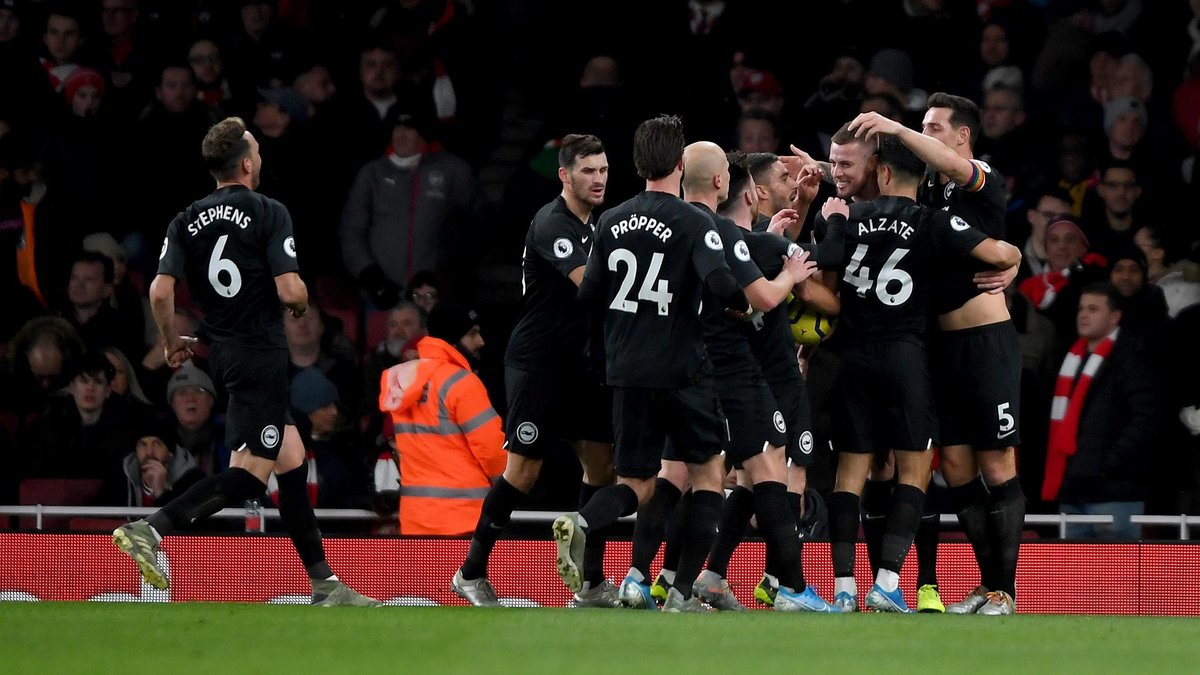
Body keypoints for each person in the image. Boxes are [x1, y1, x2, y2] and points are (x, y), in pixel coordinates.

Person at [111, 116, 378, 606]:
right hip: (259, 354)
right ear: (248, 163)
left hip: (225, 354)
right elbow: (291, 290)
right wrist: (300, 303)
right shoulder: (268, 210)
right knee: (251, 476)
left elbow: (160, 291)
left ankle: (324, 583)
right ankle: (151, 528)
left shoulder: (185, 218)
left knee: (291, 460)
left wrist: (169, 341)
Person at [813, 135, 1021, 614]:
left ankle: (844, 589)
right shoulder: (932, 220)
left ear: (881, 171)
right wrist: (1011, 260)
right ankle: (890, 583)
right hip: (908, 357)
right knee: (915, 470)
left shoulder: (846, 218)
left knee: (852, 474)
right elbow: (999, 254)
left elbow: (824, 285)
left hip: (853, 358)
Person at [551, 114, 751, 613]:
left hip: (626, 371)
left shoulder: (611, 221)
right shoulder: (694, 221)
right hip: (682, 370)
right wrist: (741, 304)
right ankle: (681, 594)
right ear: (680, 163)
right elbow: (722, 284)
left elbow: (588, 296)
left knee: (637, 483)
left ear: (638, 164)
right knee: (708, 475)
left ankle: (583, 521)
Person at [620, 142, 821, 613]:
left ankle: (645, 578)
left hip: (675, 368)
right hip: (733, 370)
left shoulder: (669, 227)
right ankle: (790, 589)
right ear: (725, 184)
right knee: (767, 471)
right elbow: (762, 295)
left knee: (676, 474)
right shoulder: (720, 232)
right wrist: (788, 274)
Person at [451, 134, 617, 608]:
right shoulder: (551, 223)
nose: (599, 179)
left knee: (602, 467)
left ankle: (590, 584)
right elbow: (590, 286)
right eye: (588, 171)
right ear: (564, 175)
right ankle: (470, 573)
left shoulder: (596, 226)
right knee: (523, 472)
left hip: (582, 366)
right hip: (538, 364)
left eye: (604, 170)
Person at [340, 108, 488, 308]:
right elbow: (352, 230)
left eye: (409, 128)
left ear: (424, 132)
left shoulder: (454, 171)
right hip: (382, 295)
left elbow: (477, 224)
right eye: (397, 128)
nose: (401, 134)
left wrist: (457, 272)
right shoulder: (372, 174)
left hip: (437, 296)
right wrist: (369, 275)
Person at [1043, 283, 1159, 539]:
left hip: (1116, 493)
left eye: (1093, 309)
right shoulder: (1070, 359)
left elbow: (1146, 419)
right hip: (1074, 491)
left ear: (1115, 317)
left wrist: (1109, 465)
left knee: (1117, 566)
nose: (1083, 315)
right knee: (1075, 566)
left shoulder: (1133, 357)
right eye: (1081, 309)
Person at [378, 324, 505, 538]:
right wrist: (509, 490)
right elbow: (491, 451)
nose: (480, 341)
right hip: (465, 519)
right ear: (453, 339)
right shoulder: (461, 382)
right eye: (472, 333)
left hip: (415, 520)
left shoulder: (401, 382)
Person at [103, 420, 205, 508]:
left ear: (170, 453)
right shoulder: (120, 478)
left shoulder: (193, 480)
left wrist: (161, 493)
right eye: (142, 444)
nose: (149, 452)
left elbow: (188, 521)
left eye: (157, 444)